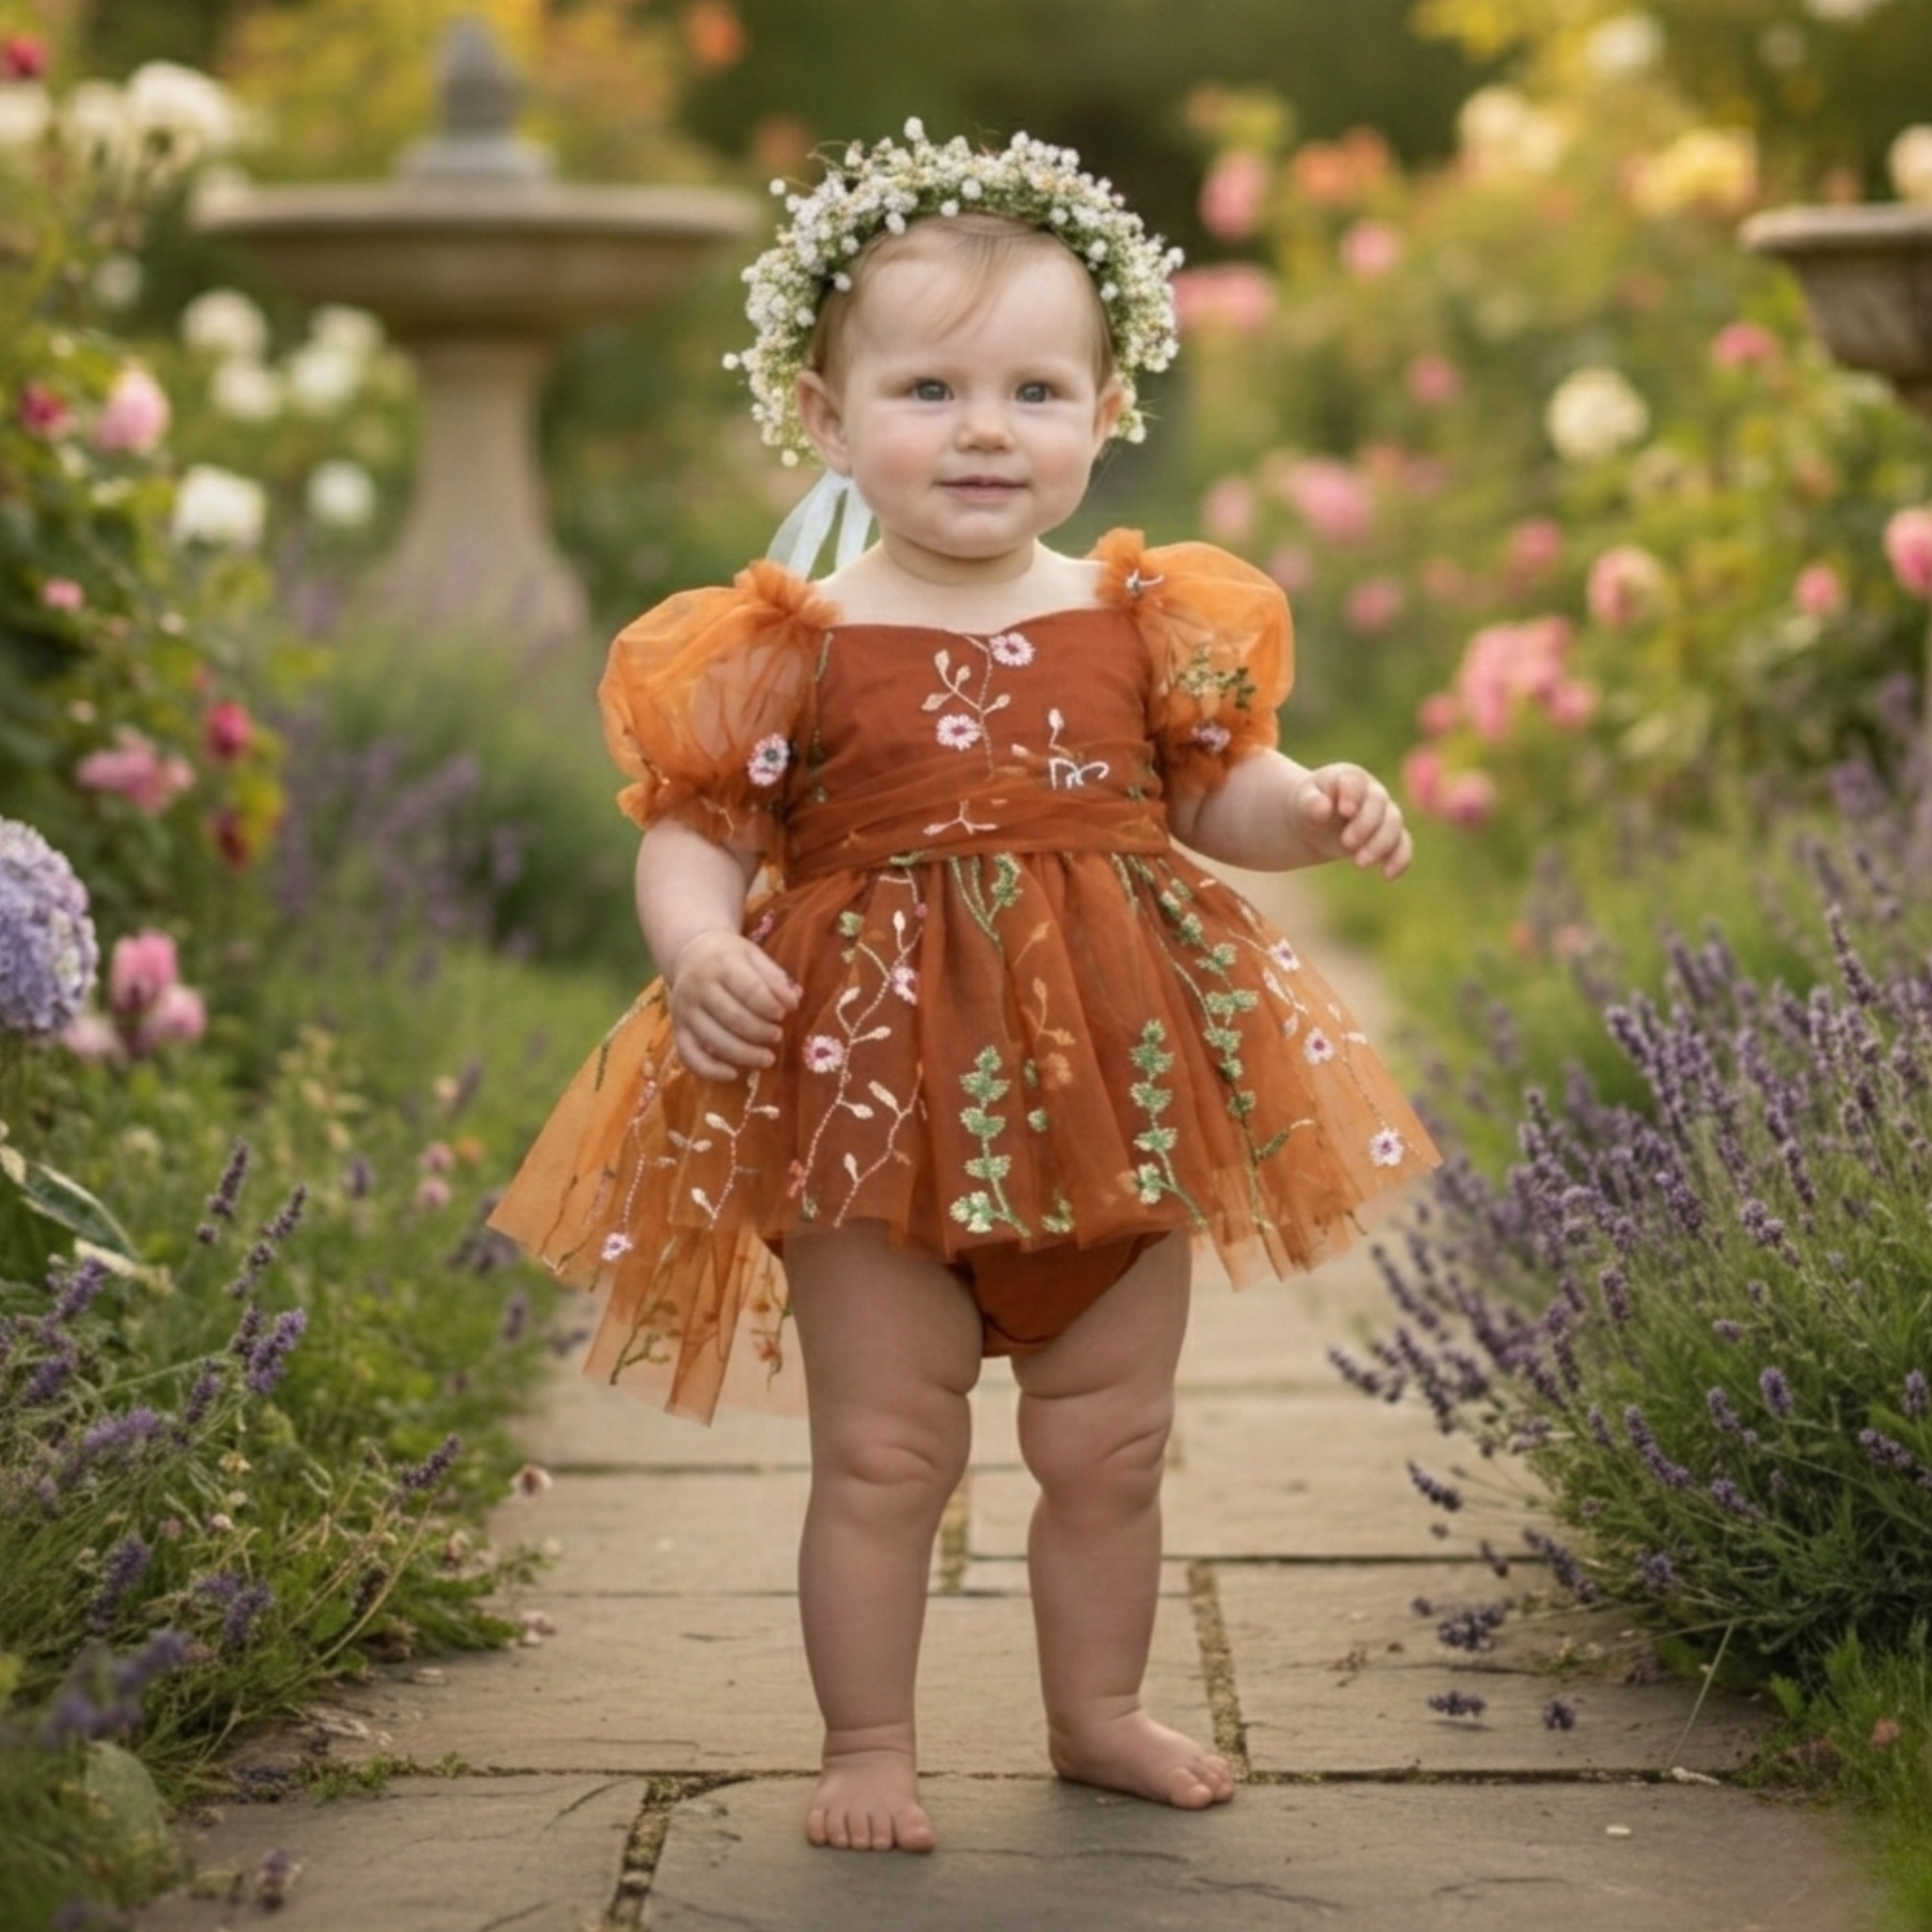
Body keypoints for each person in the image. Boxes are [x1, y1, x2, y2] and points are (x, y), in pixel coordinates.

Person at [488, 122, 1438, 1856]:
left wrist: (1304, 809)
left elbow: (1208, 796)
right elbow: (696, 826)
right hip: (867, 1112)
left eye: (1034, 390)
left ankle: (1094, 1712)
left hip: (1115, 1099)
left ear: (1104, 409)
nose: (985, 429)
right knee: (882, 1450)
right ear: (824, 416)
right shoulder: (786, 636)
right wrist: (698, 942)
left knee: (1112, 1440)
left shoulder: (1144, 616)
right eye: (927, 389)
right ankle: (866, 1739)